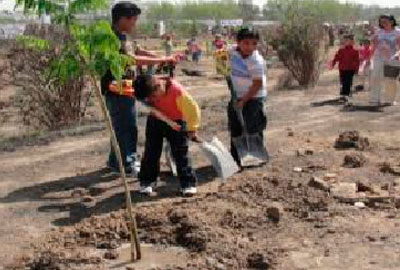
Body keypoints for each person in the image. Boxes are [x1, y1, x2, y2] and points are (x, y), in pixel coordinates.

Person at [101, 2, 175, 176]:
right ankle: (128, 163)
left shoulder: (125, 36)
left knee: (122, 126)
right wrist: (159, 61)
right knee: (127, 127)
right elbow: (131, 59)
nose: (135, 23)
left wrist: (164, 58)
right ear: (122, 19)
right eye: (133, 19)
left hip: (128, 88)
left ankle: (115, 161)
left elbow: (140, 51)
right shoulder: (112, 38)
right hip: (116, 90)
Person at [133, 74, 201, 196]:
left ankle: (188, 184)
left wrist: (192, 129)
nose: (151, 100)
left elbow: (193, 110)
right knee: (151, 151)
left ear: (158, 87)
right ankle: (147, 181)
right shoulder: (148, 88)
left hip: (176, 122)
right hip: (155, 120)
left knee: (180, 153)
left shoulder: (178, 93)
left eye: (153, 97)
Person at [228, 27, 267, 167]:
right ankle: (236, 156)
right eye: (246, 43)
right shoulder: (232, 52)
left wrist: (243, 100)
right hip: (236, 95)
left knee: (253, 127)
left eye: (254, 43)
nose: (250, 47)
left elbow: (257, 85)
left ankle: (256, 154)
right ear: (238, 42)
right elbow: (221, 56)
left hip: (254, 97)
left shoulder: (256, 61)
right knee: (235, 126)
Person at [370, 14, 400, 105]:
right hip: (378, 56)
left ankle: (390, 100)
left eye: (385, 21)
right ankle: (375, 98)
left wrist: (397, 54)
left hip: (392, 58)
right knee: (376, 76)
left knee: (390, 79)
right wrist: (370, 54)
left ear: (391, 21)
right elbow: (374, 45)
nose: (383, 23)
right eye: (381, 22)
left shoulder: (397, 32)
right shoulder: (378, 32)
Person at [331, 34, 360, 102]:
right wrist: (333, 63)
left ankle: (346, 94)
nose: (347, 42)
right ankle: (343, 95)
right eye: (345, 41)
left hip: (350, 69)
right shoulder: (341, 50)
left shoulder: (355, 51)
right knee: (343, 81)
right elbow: (337, 57)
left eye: (349, 41)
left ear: (352, 42)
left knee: (348, 81)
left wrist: (356, 69)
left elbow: (357, 61)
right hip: (342, 68)